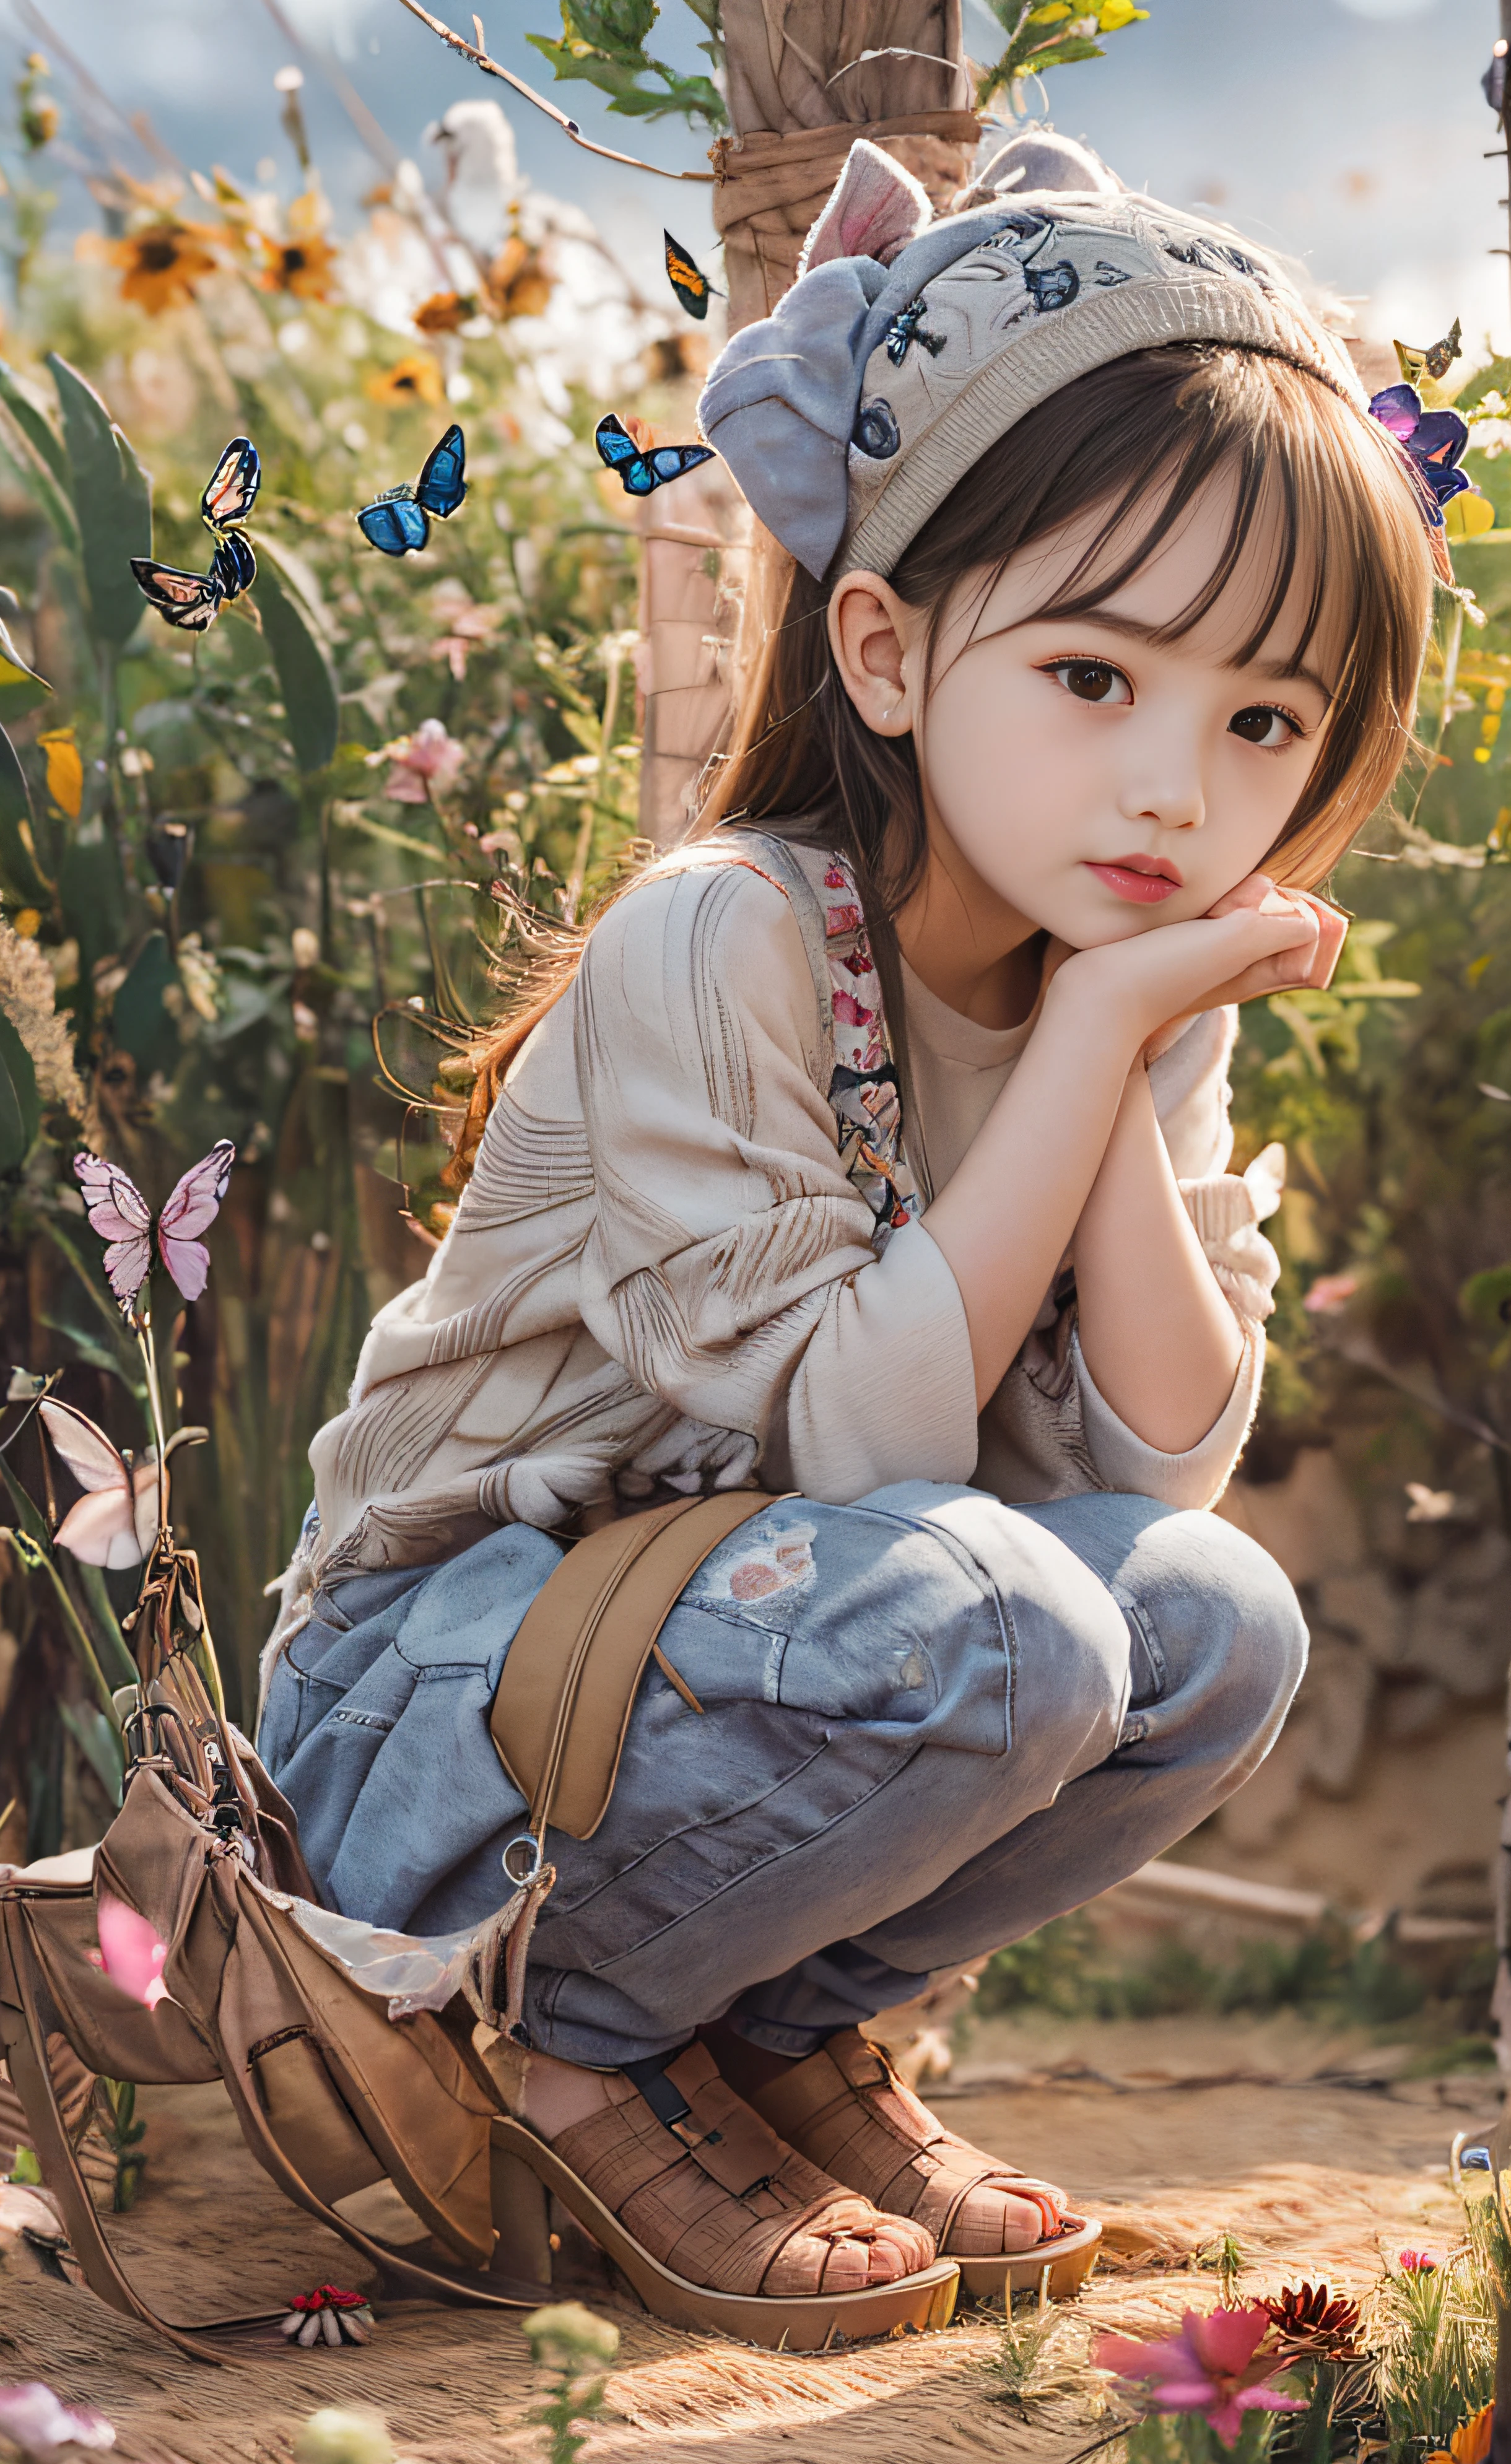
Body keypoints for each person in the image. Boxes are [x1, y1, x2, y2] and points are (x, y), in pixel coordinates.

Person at [259, 131, 1439, 2331]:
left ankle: (781, 2036)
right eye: (1095, 677)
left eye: (1261, 719)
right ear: (886, 653)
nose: (1175, 792)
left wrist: (1105, 1050)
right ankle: (556, 2042)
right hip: (438, 1709)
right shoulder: (727, 943)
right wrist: (1095, 1046)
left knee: (1210, 1624)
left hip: (749, 1658)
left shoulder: (1126, 974)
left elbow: (1157, 1464)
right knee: (1011, 1628)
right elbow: (862, 1454)